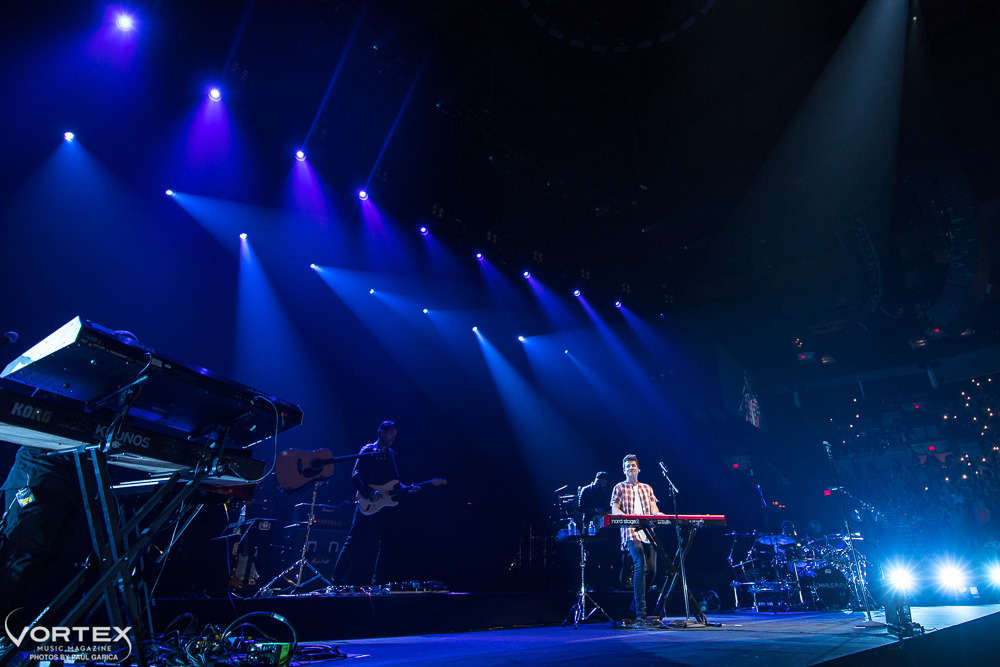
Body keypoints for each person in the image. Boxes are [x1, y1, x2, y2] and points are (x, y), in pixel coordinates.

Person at [332, 420, 410, 588]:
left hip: (382, 506)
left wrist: (407, 489)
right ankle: (335, 581)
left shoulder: (391, 455)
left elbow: (395, 482)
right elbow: (355, 475)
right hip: (366, 502)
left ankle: (377, 584)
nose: (393, 438)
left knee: (385, 543)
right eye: (391, 433)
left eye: (395, 435)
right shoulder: (368, 450)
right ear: (381, 432)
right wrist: (368, 491)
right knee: (352, 541)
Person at [610, 454, 663, 627]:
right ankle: (641, 612)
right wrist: (623, 517)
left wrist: (659, 514)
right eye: (628, 466)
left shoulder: (647, 488)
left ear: (638, 469)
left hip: (648, 532)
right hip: (630, 531)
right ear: (624, 470)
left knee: (653, 570)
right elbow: (614, 507)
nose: (631, 468)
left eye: (633, 465)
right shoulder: (619, 487)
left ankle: (634, 606)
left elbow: (654, 507)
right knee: (640, 564)